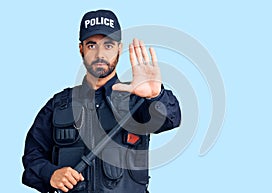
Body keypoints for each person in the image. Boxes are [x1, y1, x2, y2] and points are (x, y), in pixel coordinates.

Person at [22, 9, 181, 193]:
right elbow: (32, 158)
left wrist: (156, 95)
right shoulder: (58, 105)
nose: (99, 54)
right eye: (91, 45)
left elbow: (172, 118)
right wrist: (50, 174)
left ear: (119, 49)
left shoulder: (137, 101)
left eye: (108, 45)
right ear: (81, 48)